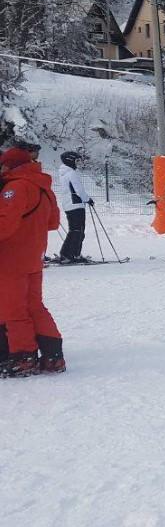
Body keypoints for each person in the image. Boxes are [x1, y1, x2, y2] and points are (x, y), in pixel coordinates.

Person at [0, 146, 66, 377]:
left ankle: (23, 357)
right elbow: (53, 222)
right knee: (34, 306)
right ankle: (53, 355)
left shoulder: (15, 186)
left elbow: (5, 224)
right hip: (34, 256)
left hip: (11, 258)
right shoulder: (43, 186)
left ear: (10, 165)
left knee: (12, 309)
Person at [56, 150, 95, 264]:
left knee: (75, 230)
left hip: (69, 205)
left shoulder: (64, 173)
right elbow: (78, 190)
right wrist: (87, 199)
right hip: (76, 205)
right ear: (70, 160)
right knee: (78, 230)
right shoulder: (71, 173)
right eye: (76, 160)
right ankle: (70, 255)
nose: (77, 163)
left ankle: (71, 254)